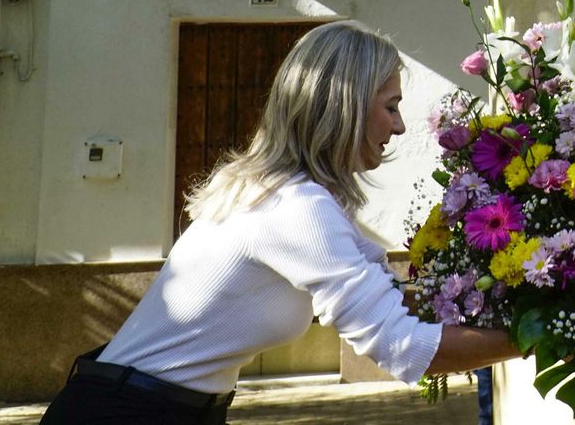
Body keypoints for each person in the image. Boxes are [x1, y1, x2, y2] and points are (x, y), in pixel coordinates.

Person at [41, 21, 517, 424]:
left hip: (150, 407)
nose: (399, 127)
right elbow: (404, 347)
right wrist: (538, 339)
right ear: (345, 105)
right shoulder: (295, 207)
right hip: (129, 413)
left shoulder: (287, 193)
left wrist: (519, 292)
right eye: (390, 106)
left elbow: (390, 299)